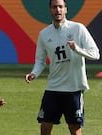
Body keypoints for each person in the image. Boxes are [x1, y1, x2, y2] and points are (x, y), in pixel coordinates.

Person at [24, 0, 100, 135]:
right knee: (45, 126)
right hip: (53, 88)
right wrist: (34, 73)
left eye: (60, 7)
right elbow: (40, 61)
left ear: (66, 9)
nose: (57, 10)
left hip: (74, 88)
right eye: (54, 7)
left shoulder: (78, 28)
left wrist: (77, 49)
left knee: (74, 128)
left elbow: (95, 54)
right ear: (50, 10)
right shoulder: (44, 34)